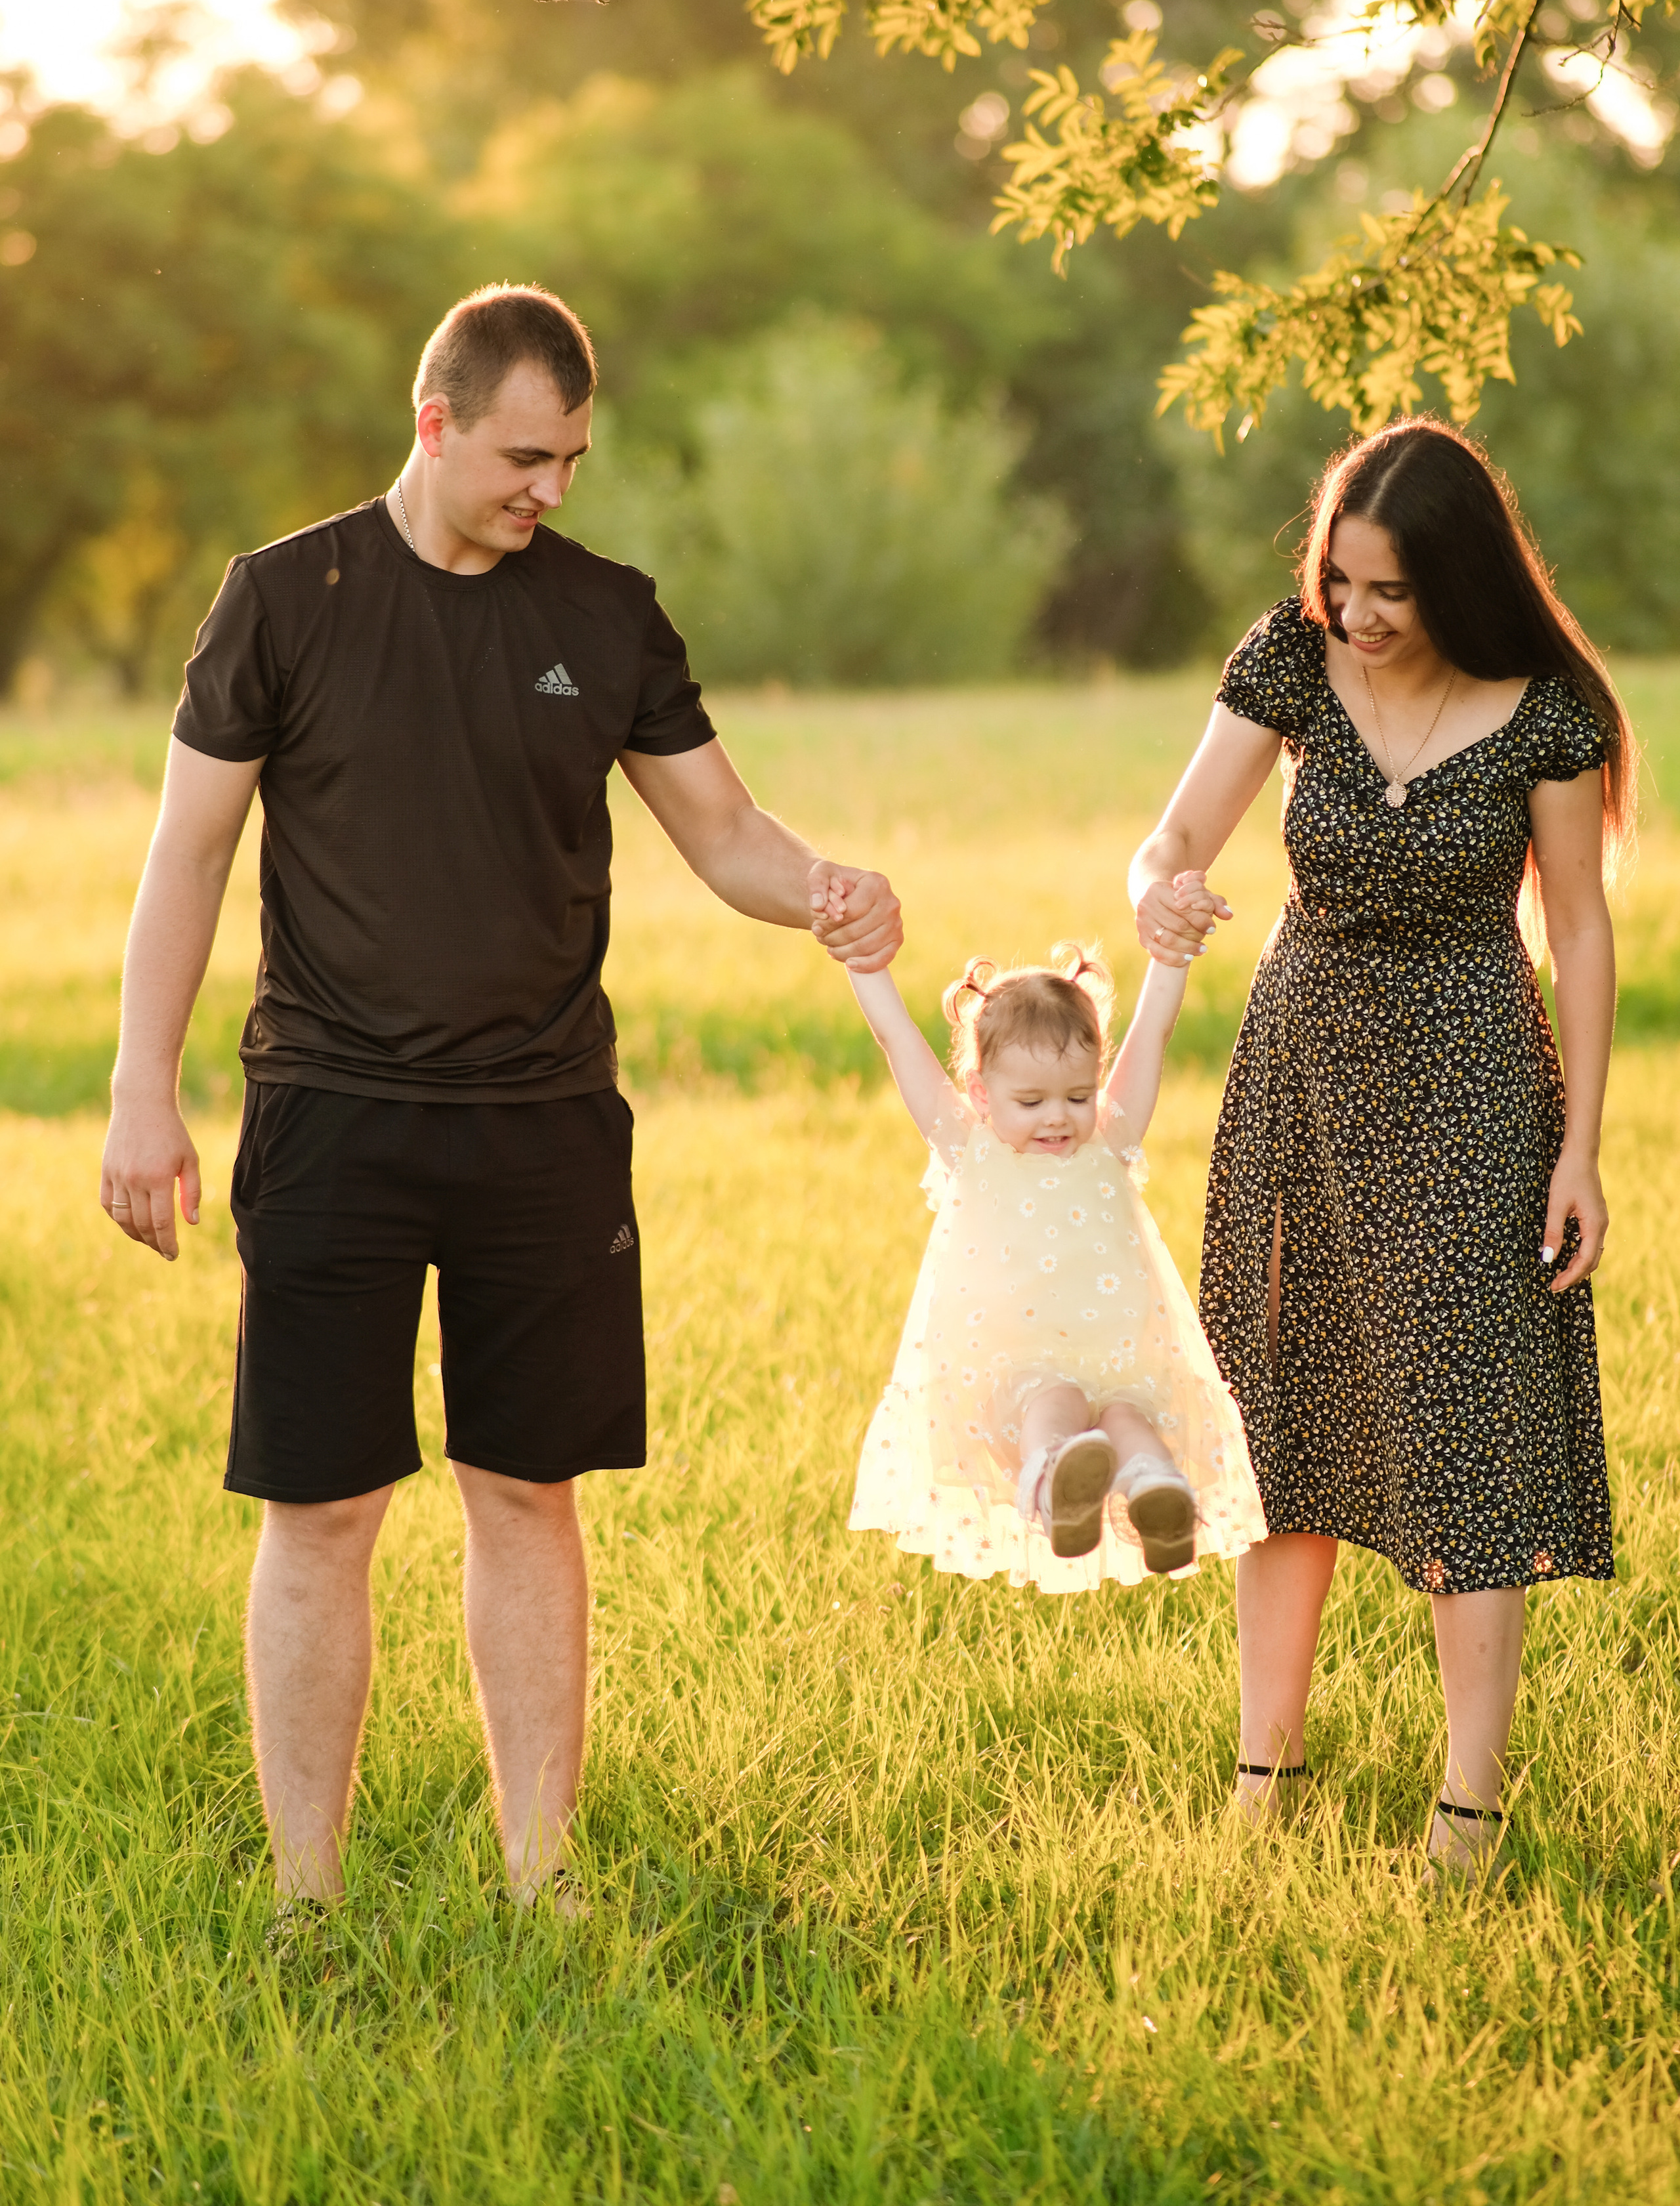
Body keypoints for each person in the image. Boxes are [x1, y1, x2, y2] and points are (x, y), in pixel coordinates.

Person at [98, 283, 901, 1910]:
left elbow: (725, 833)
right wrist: (140, 1093)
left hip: (543, 1120)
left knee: (527, 1489)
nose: (552, 488)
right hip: (331, 1111)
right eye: (528, 455)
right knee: (321, 1505)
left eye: (574, 459)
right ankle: (303, 1896)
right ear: (436, 419)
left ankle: (542, 1873)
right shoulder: (283, 597)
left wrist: (827, 887)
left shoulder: (604, 616)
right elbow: (186, 853)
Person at [1128, 417, 1629, 1878]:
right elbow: (1168, 844)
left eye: (1387, 592)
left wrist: (1580, 1150)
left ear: (1458, 583)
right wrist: (1159, 895)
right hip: (1299, 1074)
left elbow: (1579, 934)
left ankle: (1468, 1804)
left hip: (1474, 1082)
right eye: (1338, 580)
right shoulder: (1286, 662)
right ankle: (1258, 1777)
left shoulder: (1543, 710)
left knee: (1462, 1425)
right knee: (1281, 1418)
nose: (1352, 613)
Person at [841, 925, 1266, 1592]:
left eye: (1077, 1096)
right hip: (1019, 1361)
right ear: (980, 1093)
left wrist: (1170, 955)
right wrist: (862, 965)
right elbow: (899, 1041)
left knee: (1131, 1419)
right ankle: (1055, 1485)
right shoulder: (968, 1147)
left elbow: (1151, 1033)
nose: (1057, 1119)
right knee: (1053, 1405)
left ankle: (1158, 1495)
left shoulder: (1109, 1138)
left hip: (1123, 1352)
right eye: (1030, 1102)